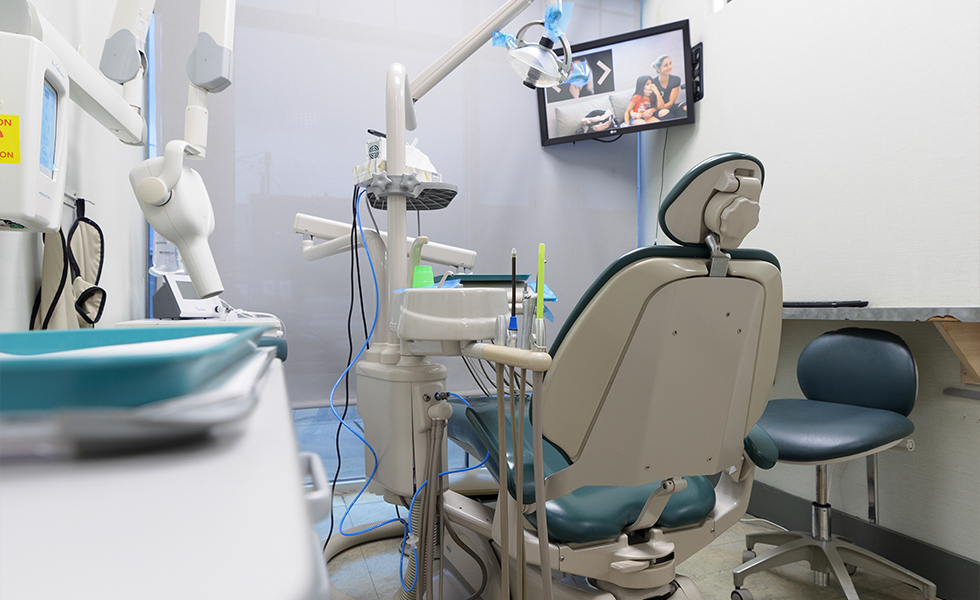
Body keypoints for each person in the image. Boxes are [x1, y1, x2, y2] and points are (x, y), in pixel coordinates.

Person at [651, 55, 687, 120]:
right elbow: (653, 104)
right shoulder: (653, 83)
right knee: (664, 112)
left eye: (670, 63)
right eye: (666, 65)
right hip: (658, 110)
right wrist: (654, 109)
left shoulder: (676, 79)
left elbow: (671, 103)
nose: (670, 67)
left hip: (670, 107)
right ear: (658, 69)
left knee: (686, 106)